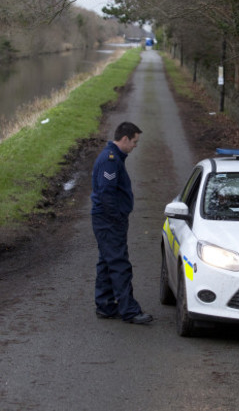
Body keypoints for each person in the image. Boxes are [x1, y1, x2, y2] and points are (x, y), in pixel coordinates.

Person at [90, 121, 153, 325]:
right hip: (109, 221)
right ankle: (129, 310)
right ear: (124, 139)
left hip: (106, 220)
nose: (135, 146)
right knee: (119, 263)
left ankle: (106, 305)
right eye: (134, 142)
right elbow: (107, 193)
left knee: (107, 261)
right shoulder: (110, 160)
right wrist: (116, 218)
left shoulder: (114, 157)